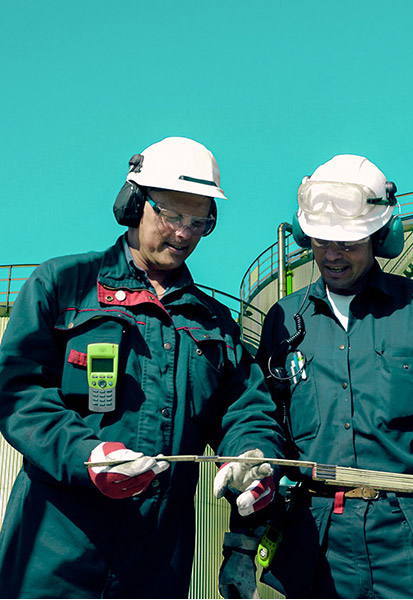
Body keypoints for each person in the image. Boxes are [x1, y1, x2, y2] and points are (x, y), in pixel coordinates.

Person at [0, 136, 285, 599]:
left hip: (156, 566)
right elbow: (16, 390)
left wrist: (251, 455)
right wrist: (85, 455)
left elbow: (247, 409)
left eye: (201, 222)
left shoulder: (214, 324)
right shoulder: (64, 286)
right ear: (134, 203)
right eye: (172, 215)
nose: (184, 233)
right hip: (52, 556)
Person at [221, 154, 413, 598]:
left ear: (379, 237)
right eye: (320, 241)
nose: (331, 255)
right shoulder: (283, 320)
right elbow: (263, 434)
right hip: (317, 549)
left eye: (347, 243)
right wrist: (241, 542)